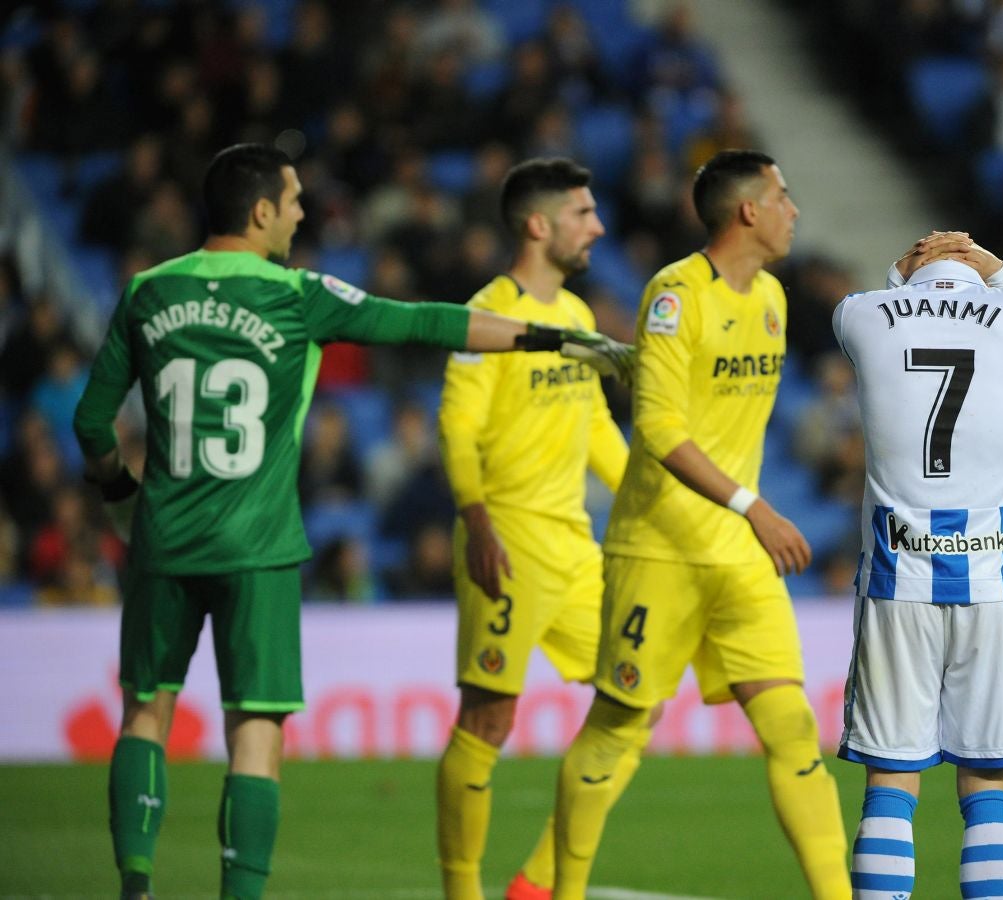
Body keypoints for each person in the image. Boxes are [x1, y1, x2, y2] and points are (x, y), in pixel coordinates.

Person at [70, 142, 632, 900]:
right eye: (295, 200)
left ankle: (134, 882)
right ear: (262, 210)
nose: (304, 213)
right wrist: (546, 337)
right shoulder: (297, 294)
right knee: (256, 731)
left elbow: (91, 423)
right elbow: (421, 323)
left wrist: (120, 496)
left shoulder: (147, 292)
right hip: (258, 547)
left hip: (163, 540)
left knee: (145, 710)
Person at [550, 149, 851, 900]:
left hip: (737, 556)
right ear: (747, 210)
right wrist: (753, 506)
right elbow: (657, 428)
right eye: (782, 196)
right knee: (618, 726)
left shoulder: (774, 300)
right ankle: (565, 893)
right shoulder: (675, 295)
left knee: (790, 731)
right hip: (659, 549)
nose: (794, 211)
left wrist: (746, 513)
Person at [833, 232, 1003, 899]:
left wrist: (906, 264)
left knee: (890, 784)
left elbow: (868, 297)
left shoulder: (863, 316)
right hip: (993, 579)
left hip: (897, 579)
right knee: (988, 787)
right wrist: (983, 261)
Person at [434, 157, 631, 900]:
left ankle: (539, 884)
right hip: (506, 541)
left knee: (631, 702)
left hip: (573, 549)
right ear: (537, 225)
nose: (598, 227)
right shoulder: (485, 314)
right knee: (488, 719)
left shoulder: (578, 320)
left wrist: (667, 493)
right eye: (583, 213)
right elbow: (456, 427)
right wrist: (476, 520)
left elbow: (597, 438)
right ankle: (462, 891)